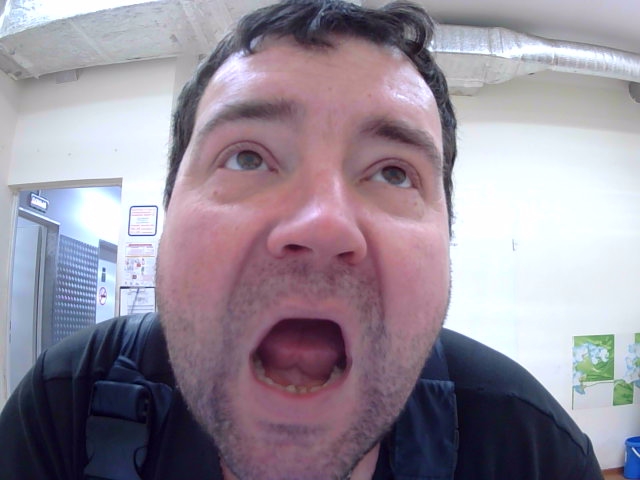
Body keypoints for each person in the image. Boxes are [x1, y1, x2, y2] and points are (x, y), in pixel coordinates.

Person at [0, 1, 603, 479]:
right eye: (246, 156)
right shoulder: (67, 406)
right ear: (169, 209)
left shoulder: (530, 449)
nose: (323, 224)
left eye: (394, 172)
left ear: (448, 238)